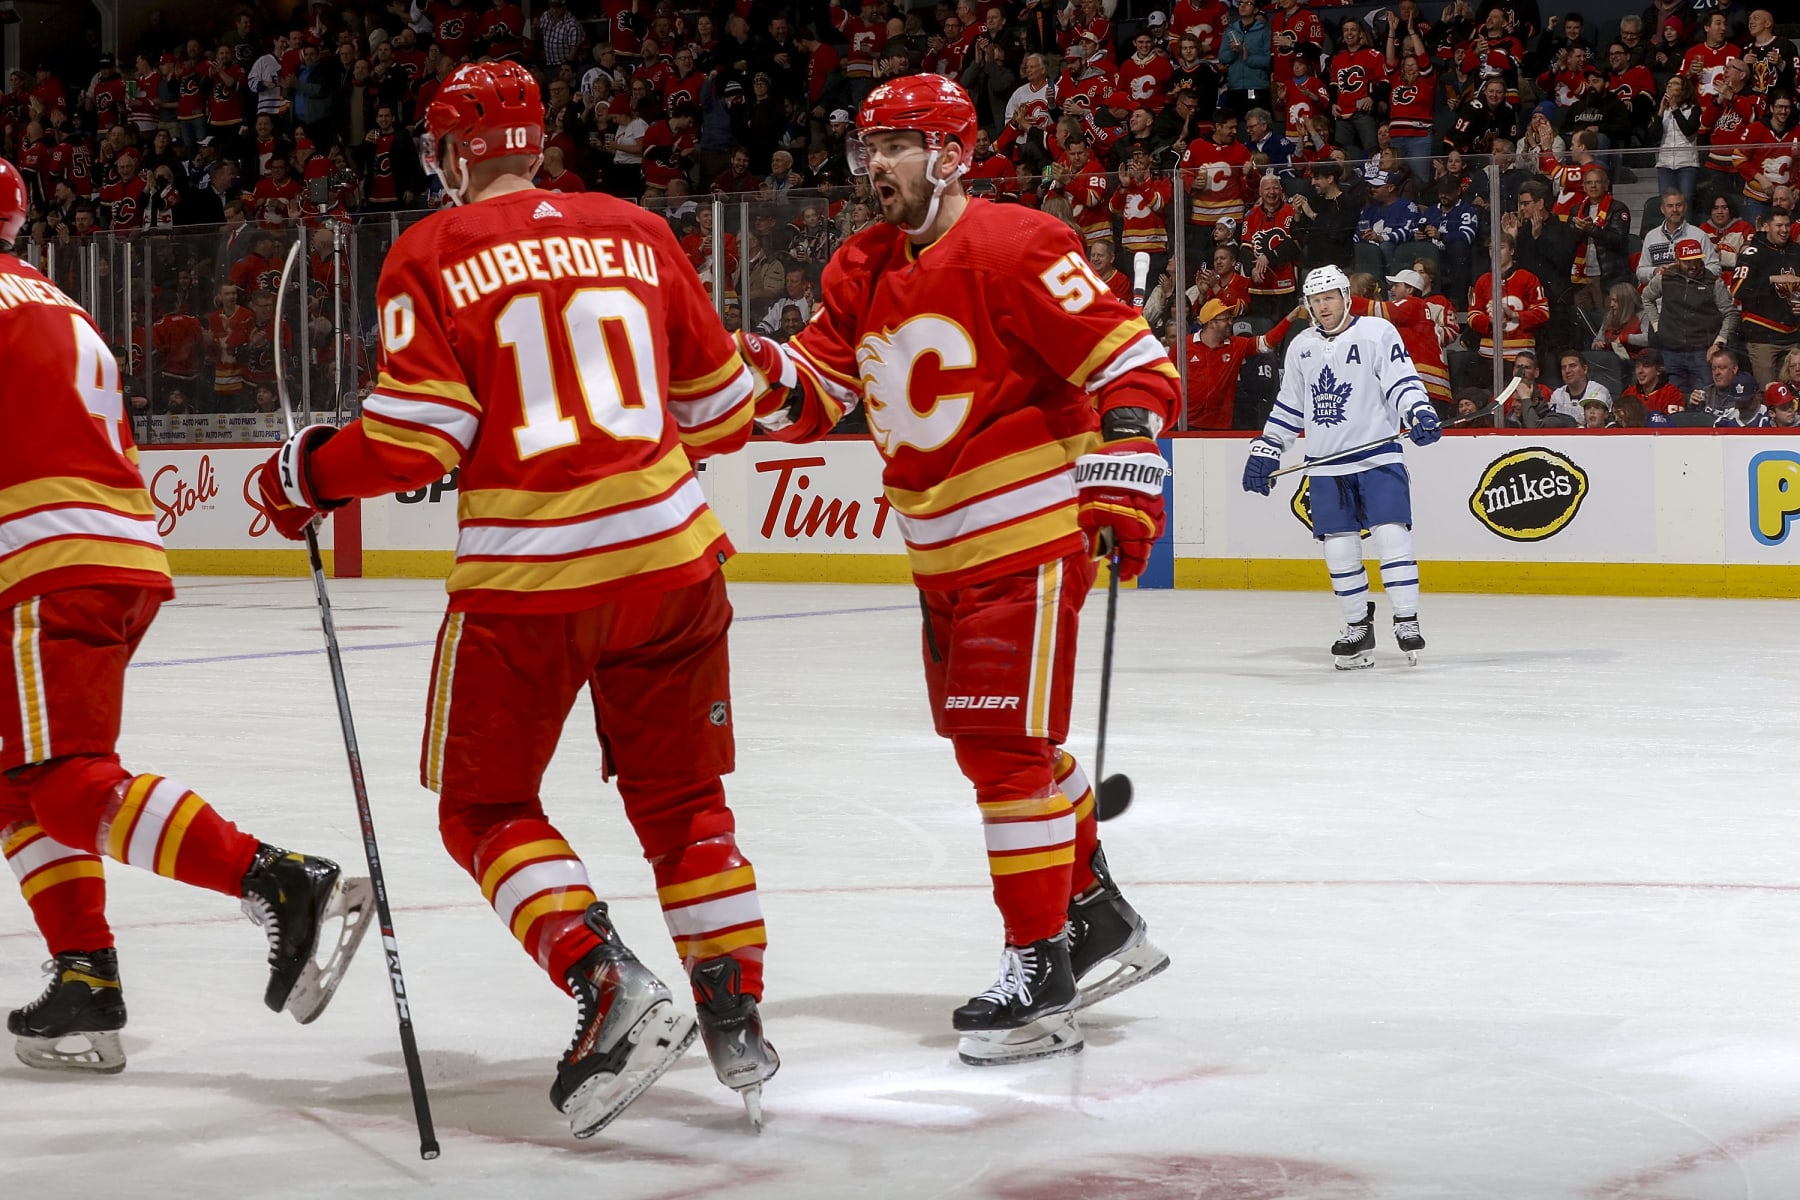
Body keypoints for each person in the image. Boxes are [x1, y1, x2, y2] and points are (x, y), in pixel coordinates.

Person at [250, 63, 776, 1138]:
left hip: (531, 578)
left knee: (482, 809)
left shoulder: (433, 249)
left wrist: (303, 474)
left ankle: (607, 980)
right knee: (685, 807)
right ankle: (735, 1016)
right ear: (537, 144)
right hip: (674, 562)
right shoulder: (635, 227)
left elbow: (416, 442)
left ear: (447, 155)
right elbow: (725, 417)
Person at [732, 74, 1174, 1068]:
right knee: (996, 752)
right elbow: (811, 396)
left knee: (1007, 754)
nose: (875, 162)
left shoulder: (1022, 243)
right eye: (870, 144)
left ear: (953, 154)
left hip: (1027, 536)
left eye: (899, 143)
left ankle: (1040, 968)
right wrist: (734, 369)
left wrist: (1125, 461)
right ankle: (1093, 913)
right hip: (940, 556)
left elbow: (1131, 361)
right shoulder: (861, 265)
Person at [0, 154, 374, 1077]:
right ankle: (84, 973)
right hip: (111, 552)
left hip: (43, 560)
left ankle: (279, 878)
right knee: (14, 781)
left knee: (64, 782)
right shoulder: (48, 295)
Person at [1242, 265, 1440, 668]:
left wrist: (1418, 411)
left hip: (1377, 457)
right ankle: (1357, 626)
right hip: (1326, 465)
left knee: (1390, 536)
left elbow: (1401, 380)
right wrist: (1267, 449)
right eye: (1315, 301)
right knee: (1338, 548)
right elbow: (1290, 405)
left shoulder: (1377, 333)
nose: (1322, 306)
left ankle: (1406, 619)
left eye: (1329, 297)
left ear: (1346, 297)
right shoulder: (1301, 346)